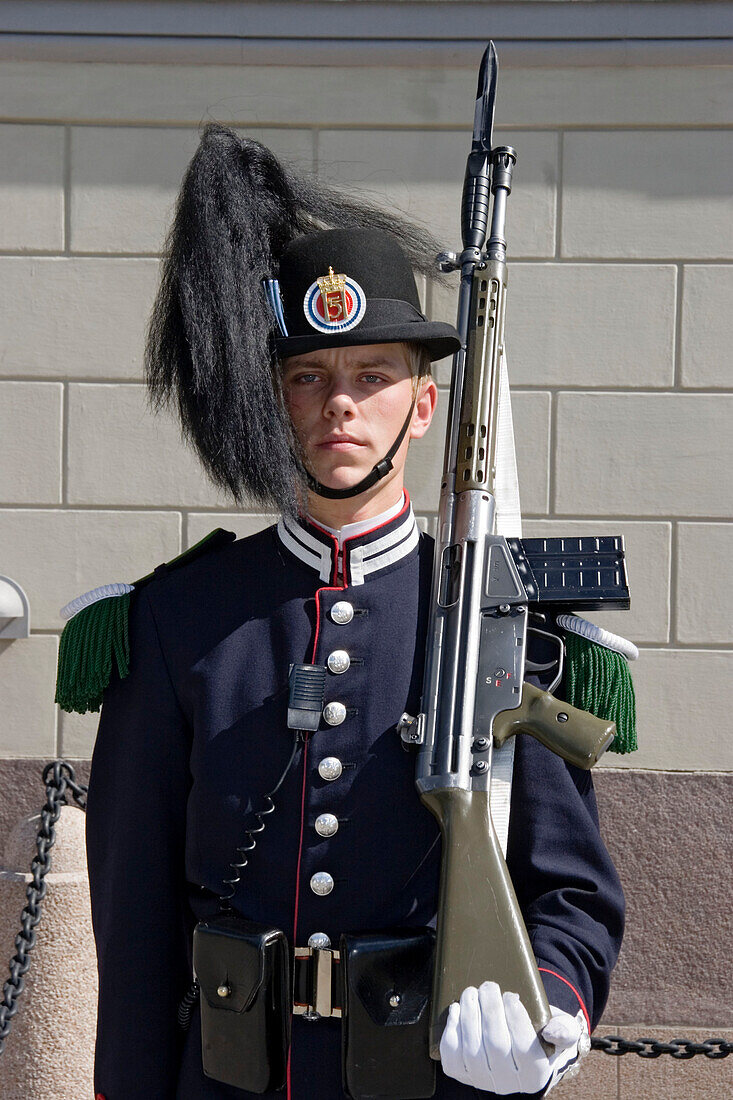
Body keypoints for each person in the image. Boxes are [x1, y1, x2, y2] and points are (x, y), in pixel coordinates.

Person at [58, 126, 625, 1099]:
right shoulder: (175, 620)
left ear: (424, 404)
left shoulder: (504, 619)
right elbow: (137, 913)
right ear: (274, 400)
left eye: (372, 375)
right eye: (308, 377)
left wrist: (556, 1006)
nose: (339, 406)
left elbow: (569, 890)